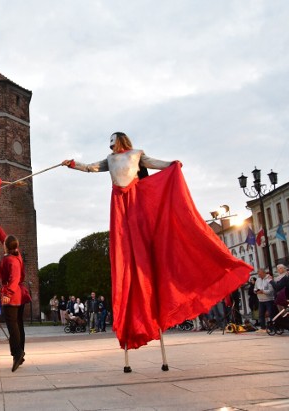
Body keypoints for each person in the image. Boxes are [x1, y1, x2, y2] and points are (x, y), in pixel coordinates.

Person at [63, 132, 252, 350]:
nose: (110, 144)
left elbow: (154, 163)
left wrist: (172, 165)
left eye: (113, 140)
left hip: (134, 199)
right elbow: (90, 167)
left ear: (120, 140)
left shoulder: (136, 154)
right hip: (119, 203)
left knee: (142, 243)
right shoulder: (110, 159)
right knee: (124, 247)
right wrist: (73, 164)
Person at [0, 219, 31, 372]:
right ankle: (20, 352)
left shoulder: (10, 260)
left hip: (12, 296)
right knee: (18, 324)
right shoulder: (16, 253)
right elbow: (4, 237)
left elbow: (14, 279)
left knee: (12, 326)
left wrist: (6, 294)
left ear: (6, 246)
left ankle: (18, 353)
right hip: (19, 294)